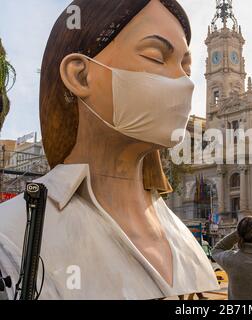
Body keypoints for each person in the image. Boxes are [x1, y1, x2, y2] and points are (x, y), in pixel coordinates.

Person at [0, 0, 219, 299]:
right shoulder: (12, 238)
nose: (184, 83)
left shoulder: (186, 241)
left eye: (185, 67)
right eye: (156, 56)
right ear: (79, 75)